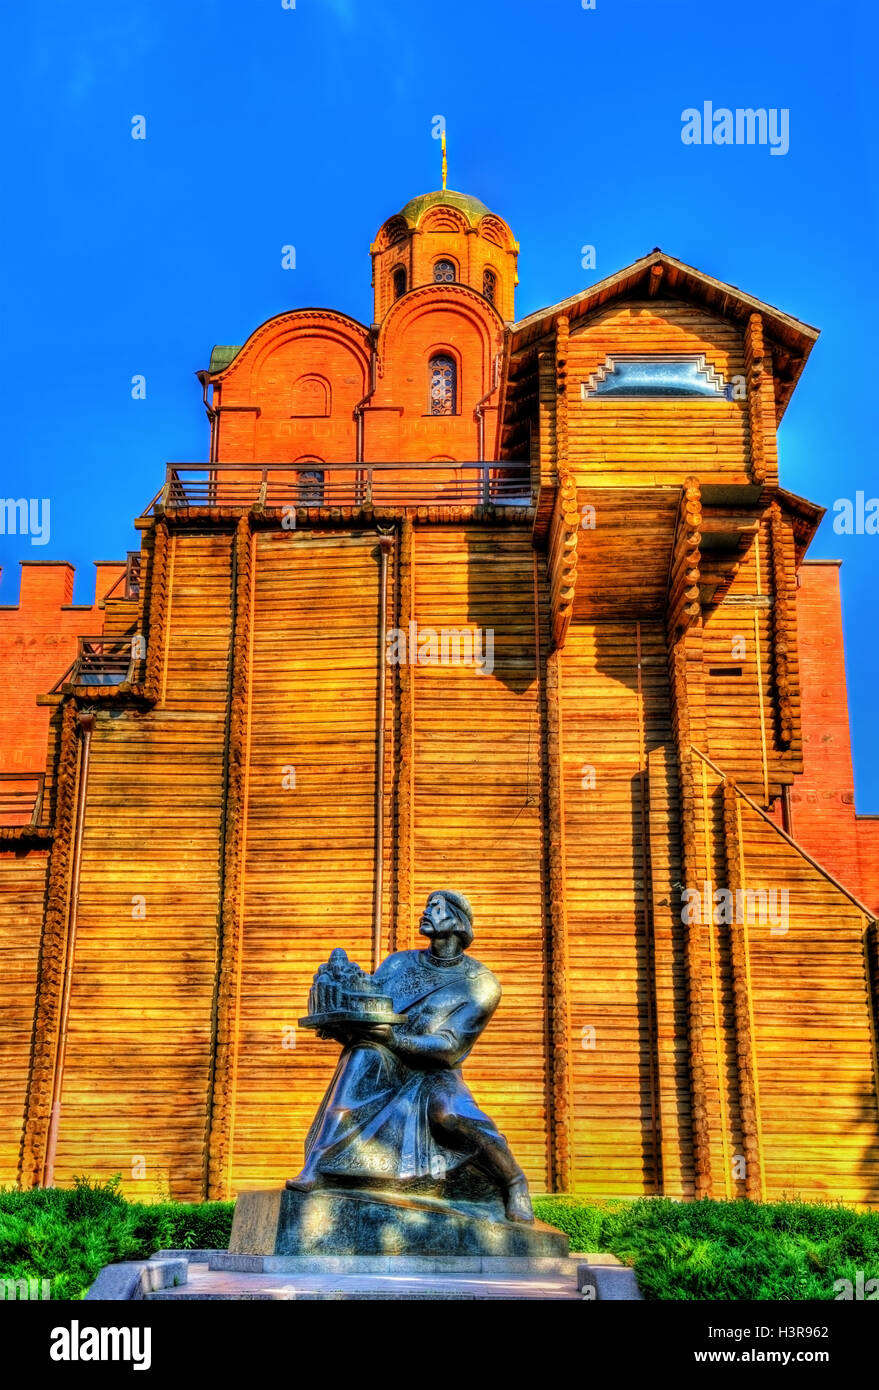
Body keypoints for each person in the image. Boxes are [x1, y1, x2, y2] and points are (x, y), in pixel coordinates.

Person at [287, 889, 533, 1223]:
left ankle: (513, 1180)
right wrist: (340, 1024)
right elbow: (369, 1009)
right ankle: (316, 1167)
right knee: (361, 1056)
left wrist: (392, 1038)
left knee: (452, 1114)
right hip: (388, 1059)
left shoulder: (481, 983)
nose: (426, 911)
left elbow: (449, 1048)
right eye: (427, 905)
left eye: (437, 907)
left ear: (459, 921)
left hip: (435, 1072)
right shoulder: (398, 963)